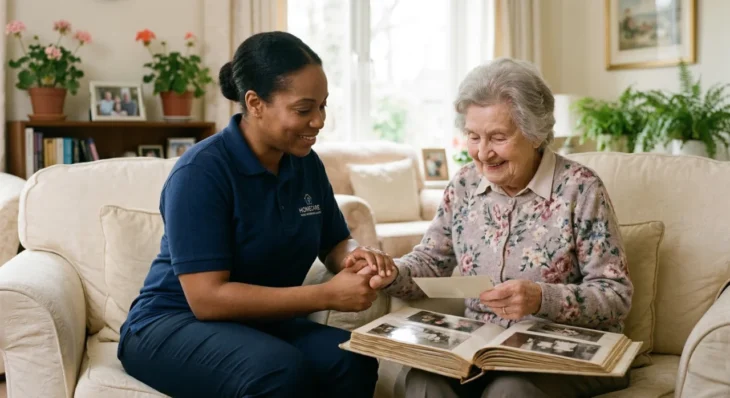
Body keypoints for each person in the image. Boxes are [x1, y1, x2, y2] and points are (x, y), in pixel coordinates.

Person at [117, 31, 395, 398]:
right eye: (304, 109)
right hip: (170, 323)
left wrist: (355, 257)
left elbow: (334, 241)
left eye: (323, 106)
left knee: (352, 359)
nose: (319, 121)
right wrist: (326, 295)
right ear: (255, 103)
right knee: (279, 371)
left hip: (257, 324)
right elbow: (207, 298)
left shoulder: (306, 165)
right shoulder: (201, 173)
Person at [355, 58, 634, 398]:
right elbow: (430, 263)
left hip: (566, 353)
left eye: (498, 137)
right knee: (422, 381)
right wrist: (389, 272)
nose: (483, 153)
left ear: (536, 134)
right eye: (473, 136)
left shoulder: (581, 189)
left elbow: (615, 296)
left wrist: (540, 298)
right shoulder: (464, 185)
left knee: (509, 391)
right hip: (481, 348)